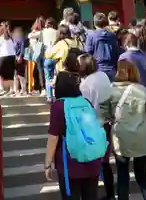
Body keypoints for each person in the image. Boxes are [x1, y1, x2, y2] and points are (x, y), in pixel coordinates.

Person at [100, 60, 146, 200]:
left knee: (122, 175)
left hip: (121, 137)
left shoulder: (110, 90)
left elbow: (102, 113)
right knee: (142, 176)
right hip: (141, 136)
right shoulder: (141, 89)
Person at [45, 71, 103, 200]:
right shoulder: (86, 102)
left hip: (70, 163)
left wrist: (47, 163)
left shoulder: (58, 105)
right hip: (91, 159)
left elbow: (53, 137)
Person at [78, 54, 113, 200]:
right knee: (105, 162)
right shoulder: (103, 75)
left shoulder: (85, 85)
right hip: (106, 122)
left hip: (93, 125)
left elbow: (85, 107)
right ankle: (110, 194)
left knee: (92, 162)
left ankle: (92, 194)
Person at [85, 12, 119, 82]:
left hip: (97, 69)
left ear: (94, 23)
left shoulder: (91, 36)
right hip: (112, 69)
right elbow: (116, 52)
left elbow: (87, 53)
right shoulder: (112, 35)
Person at [0, 21, 16, 96]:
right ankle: (12, 89)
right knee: (11, 73)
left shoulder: (0, 36)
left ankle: (1, 88)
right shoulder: (11, 36)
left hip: (4, 55)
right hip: (12, 56)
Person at [28, 16, 46, 95]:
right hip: (41, 53)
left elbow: (30, 36)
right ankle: (38, 88)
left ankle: (42, 88)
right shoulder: (43, 32)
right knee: (37, 71)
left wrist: (33, 32)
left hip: (39, 54)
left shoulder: (40, 33)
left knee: (38, 71)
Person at [42, 17, 59, 101]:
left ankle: (49, 97)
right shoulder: (57, 32)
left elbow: (30, 35)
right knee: (55, 77)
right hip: (56, 57)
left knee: (48, 77)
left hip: (47, 57)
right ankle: (55, 96)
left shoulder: (43, 32)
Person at [13, 27, 27, 96]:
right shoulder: (14, 40)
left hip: (20, 58)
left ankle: (23, 90)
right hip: (15, 58)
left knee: (20, 75)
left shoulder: (21, 40)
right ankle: (16, 90)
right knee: (15, 75)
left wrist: (20, 56)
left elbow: (22, 48)